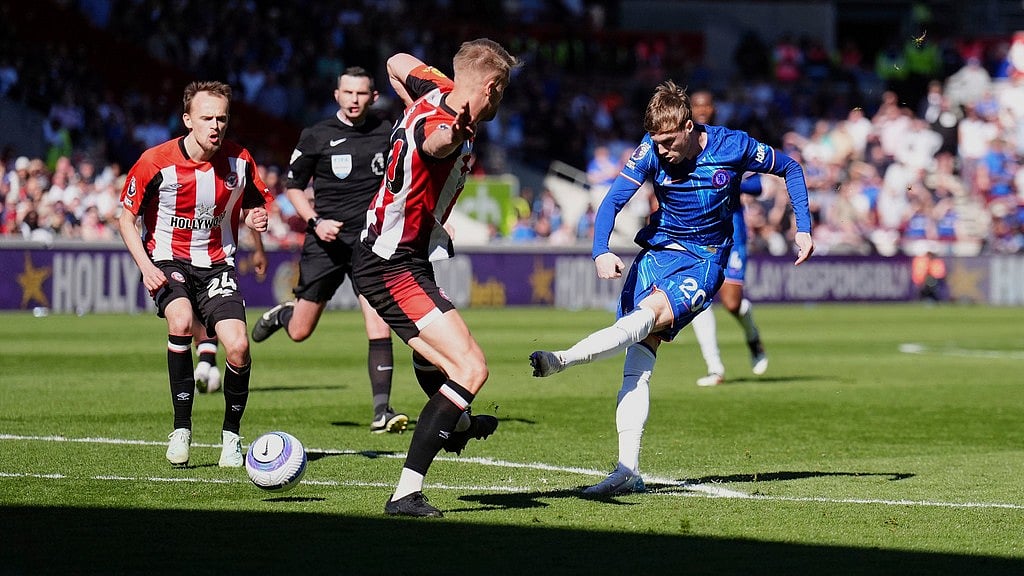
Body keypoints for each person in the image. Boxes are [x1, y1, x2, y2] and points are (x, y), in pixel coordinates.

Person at [530, 80, 814, 495]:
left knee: (646, 319)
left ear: (687, 125)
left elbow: (790, 167)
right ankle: (628, 470)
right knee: (638, 363)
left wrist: (803, 229)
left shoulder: (732, 145)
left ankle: (562, 359)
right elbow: (612, 200)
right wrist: (599, 250)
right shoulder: (649, 149)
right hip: (656, 256)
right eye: (655, 140)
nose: (660, 149)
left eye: (667, 140)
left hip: (703, 261)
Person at [352, 39, 519, 517]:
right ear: (491, 86)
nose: (499, 102)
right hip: (392, 264)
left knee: (439, 360)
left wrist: (413, 100)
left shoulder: (432, 87)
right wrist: (452, 132)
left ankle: (459, 427)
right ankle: (405, 492)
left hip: (401, 255)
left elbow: (394, 60)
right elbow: (434, 142)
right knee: (470, 369)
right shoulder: (447, 126)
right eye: (501, 92)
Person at [118, 80, 273, 468]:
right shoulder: (155, 161)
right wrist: (146, 266)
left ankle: (231, 438)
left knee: (238, 346)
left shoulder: (240, 161)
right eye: (207, 118)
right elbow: (125, 218)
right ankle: (182, 429)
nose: (216, 126)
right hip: (168, 260)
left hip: (218, 264)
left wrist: (258, 233)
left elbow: (255, 208)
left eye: (222, 118)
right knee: (182, 319)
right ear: (188, 119)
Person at [249, 67, 408, 434]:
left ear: (373, 97)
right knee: (301, 332)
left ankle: (381, 412)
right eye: (348, 93)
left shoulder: (386, 132)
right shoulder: (317, 135)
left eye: (361, 94)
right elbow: (293, 186)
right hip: (325, 242)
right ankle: (285, 315)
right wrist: (315, 220)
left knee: (378, 320)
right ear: (337, 94)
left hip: (370, 244)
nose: (354, 100)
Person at [686, 89, 768, 387]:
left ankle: (753, 338)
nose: (702, 110)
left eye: (706, 105)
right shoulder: (682, 145)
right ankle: (715, 368)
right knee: (699, 300)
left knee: (732, 303)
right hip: (698, 233)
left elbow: (758, 184)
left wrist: (730, 181)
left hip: (732, 232)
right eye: (696, 105)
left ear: (714, 109)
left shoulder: (729, 142)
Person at [194, 232, 266, 393]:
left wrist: (259, 249)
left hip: (218, 254)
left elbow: (250, 209)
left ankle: (205, 363)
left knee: (216, 307)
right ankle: (208, 364)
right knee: (190, 309)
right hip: (181, 250)